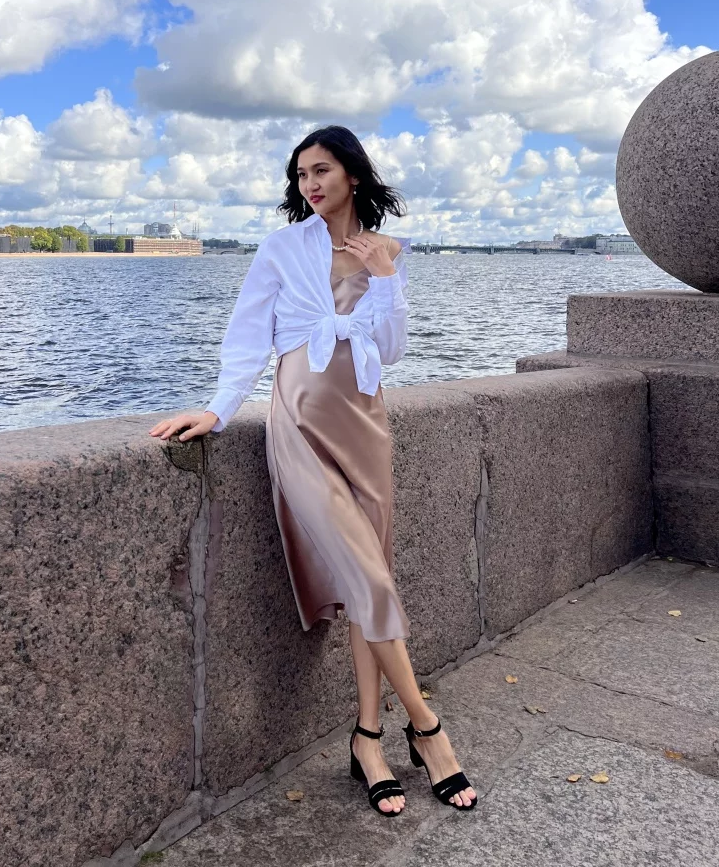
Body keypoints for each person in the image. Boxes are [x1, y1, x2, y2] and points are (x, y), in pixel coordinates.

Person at [149, 126, 477, 818]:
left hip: (366, 424)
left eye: (321, 170)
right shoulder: (282, 248)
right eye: (301, 175)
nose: (310, 185)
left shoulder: (387, 251)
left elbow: (392, 349)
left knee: (370, 580)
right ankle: (427, 728)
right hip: (299, 423)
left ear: (353, 174)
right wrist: (218, 408)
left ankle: (367, 739)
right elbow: (247, 334)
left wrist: (383, 276)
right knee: (369, 579)